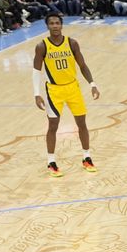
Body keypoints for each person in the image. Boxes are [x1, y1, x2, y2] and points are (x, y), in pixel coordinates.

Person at [32, 13, 100, 177]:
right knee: (53, 126)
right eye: (51, 23)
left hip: (73, 88)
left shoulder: (72, 43)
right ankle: (51, 161)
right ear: (47, 26)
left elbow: (82, 65)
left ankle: (87, 157)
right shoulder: (42, 46)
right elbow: (36, 70)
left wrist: (92, 84)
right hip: (53, 91)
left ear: (62, 25)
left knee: (82, 124)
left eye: (57, 23)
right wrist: (37, 93)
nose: (55, 26)